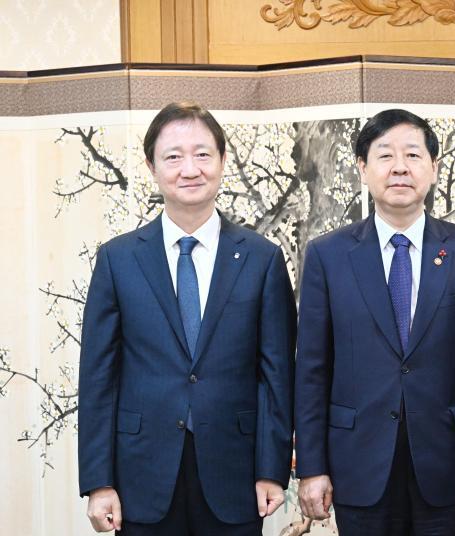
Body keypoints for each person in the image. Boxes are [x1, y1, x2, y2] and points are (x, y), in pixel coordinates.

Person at [78, 101, 296, 534]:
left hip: (234, 473)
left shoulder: (262, 259)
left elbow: (276, 374)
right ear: (151, 166)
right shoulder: (118, 259)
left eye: (202, 154)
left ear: (222, 160)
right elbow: (99, 378)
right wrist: (99, 482)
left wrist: (272, 469)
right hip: (141, 474)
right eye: (173, 156)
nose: (189, 169)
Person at [294, 108, 455, 535]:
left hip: (450, 465)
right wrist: (312, 467)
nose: (399, 168)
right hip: (358, 464)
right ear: (362, 168)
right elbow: (312, 370)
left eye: (412, 155)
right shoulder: (327, 256)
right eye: (384, 155)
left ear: (432, 168)